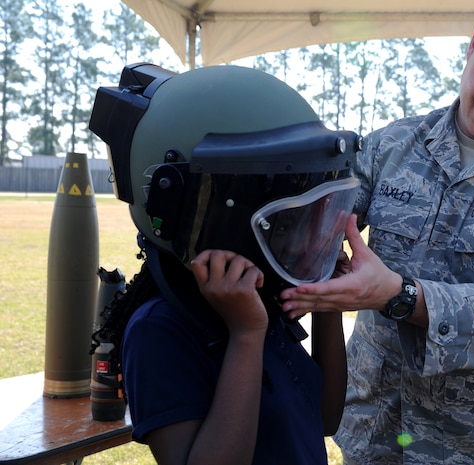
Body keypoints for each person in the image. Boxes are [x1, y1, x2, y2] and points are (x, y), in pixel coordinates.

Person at [280, 0, 474, 463]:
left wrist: (400, 294)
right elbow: (318, 220)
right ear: (472, 46)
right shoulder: (392, 145)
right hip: (377, 432)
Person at [88, 63, 363, 464]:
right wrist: (247, 335)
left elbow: (325, 417)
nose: (299, 239)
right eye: (281, 222)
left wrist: (327, 308)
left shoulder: (257, 293)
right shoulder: (159, 331)